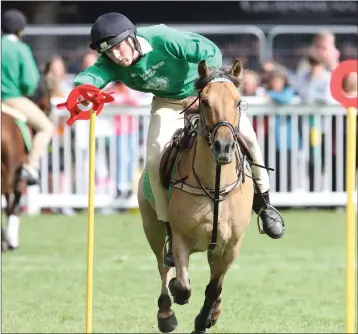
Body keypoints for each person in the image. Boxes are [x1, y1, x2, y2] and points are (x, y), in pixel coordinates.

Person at [74, 12, 285, 265]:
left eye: (119, 47)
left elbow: (210, 52)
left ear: (132, 38)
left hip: (203, 95)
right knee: (153, 157)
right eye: (110, 53)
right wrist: (82, 90)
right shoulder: (111, 61)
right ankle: (170, 228)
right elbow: (90, 76)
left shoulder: (163, 38)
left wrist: (206, 91)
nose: (117, 56)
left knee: (249, 140)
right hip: (168, 103)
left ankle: (265, 205)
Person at [1, 9, 54, 185]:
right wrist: (27, 90)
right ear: (20, 31)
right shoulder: (21, 49)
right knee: (47, 127)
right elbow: (30, 81)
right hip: (12, 99)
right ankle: (30, 166)